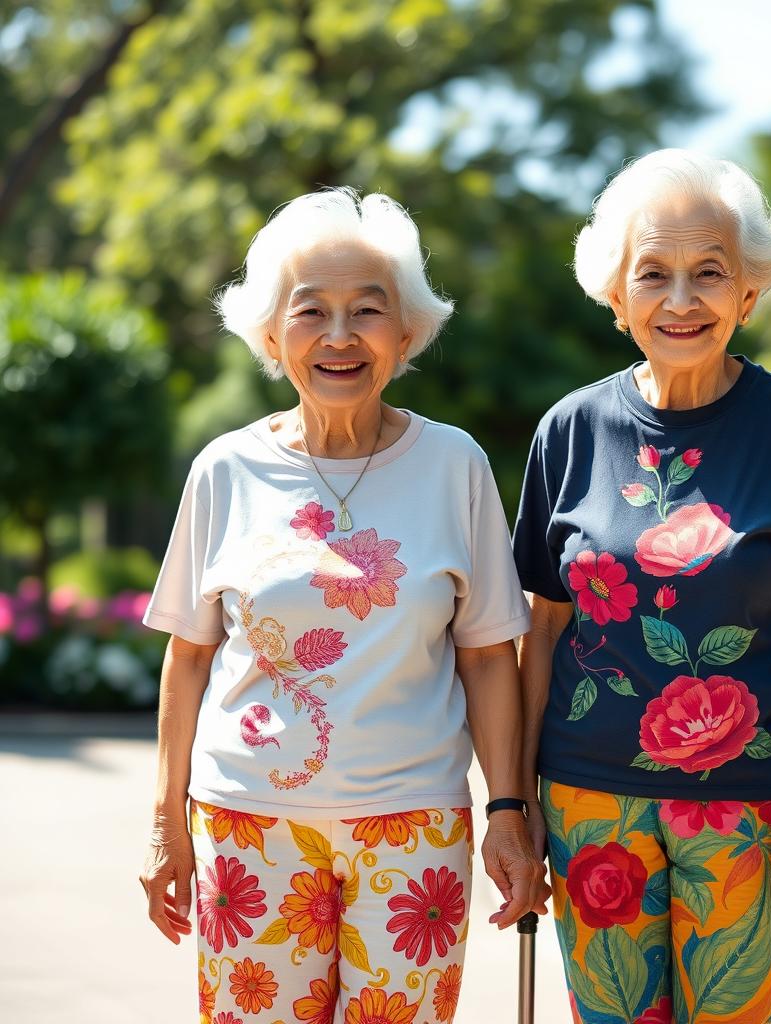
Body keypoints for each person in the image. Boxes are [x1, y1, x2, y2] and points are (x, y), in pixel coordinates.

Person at [139, 187, 547, 1024]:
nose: (338, 335)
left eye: (368, 310)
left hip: (415, 831)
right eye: (310, 311)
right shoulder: (224, 469)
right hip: (248, 824)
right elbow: (188, 656)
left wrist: (508, 810)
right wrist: (164, 823)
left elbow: (486, 657)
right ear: (270, 334)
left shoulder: (455, 466)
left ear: (406, 333)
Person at [513, 150, 771, 1024]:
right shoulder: (568, 431)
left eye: (708, 274)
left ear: (748, 296)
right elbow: (538, 631)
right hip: (588, 803)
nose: (680, 300)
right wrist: (516, 803)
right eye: (653, 274)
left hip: (756, 807)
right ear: (616, 298)